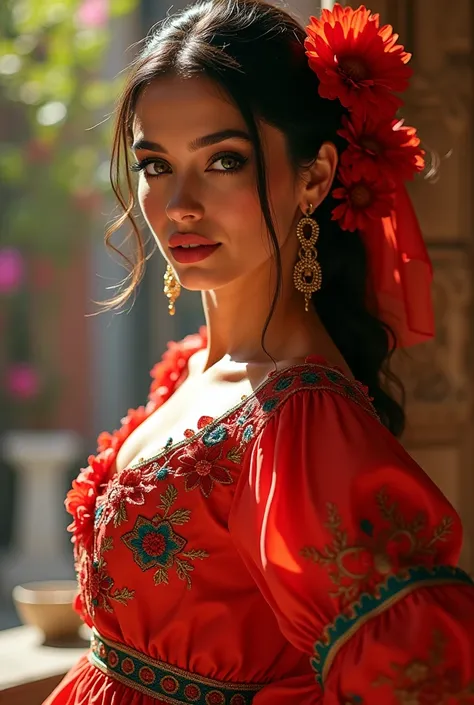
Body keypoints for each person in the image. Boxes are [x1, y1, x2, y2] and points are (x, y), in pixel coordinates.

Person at [44, 2, 474, 704]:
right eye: (155, 165)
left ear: (314, 176)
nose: (179, 203)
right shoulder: (189, 367)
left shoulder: (299, 421)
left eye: (223, 161)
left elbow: (416, 671)